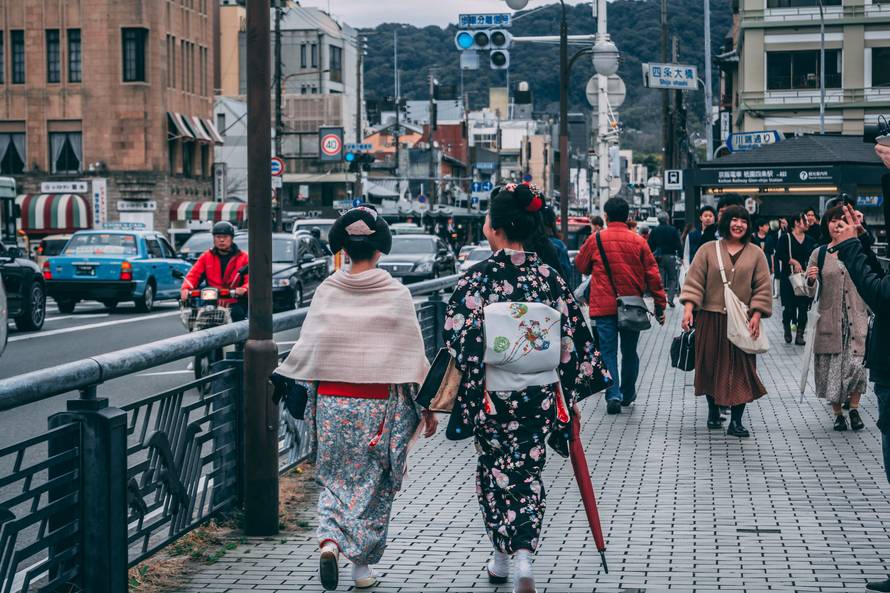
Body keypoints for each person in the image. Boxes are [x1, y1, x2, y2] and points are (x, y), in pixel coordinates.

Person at [442, 183, 609, 593]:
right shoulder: (549, 279)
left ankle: (505, 554)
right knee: (528, 474)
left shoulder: (476, 281)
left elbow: (457, 341)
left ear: (494, 229)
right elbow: (572, 344)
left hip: (492, 398)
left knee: (495, 471)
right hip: (539, 395)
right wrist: (567, 398)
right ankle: (519, 559)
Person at [273, 205, 438, 591]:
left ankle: (330, 540)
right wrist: (427, 407)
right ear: (381, 250)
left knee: (335, 479)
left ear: (342, 250)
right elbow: (412, 356)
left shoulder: (327, 291)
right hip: (379, 406)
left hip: (332, 402)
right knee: (375, 483)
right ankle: (360, 570)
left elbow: (309, 346)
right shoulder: (396, 294)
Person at [680, 206, 773, 437]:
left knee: (742, 368)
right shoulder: (708, 250)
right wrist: (689, 310)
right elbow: (694, 282)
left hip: (742, 320)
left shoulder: (756, 254)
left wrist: (757, 314)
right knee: (710, 364)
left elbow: (762, 287)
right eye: (734, 220)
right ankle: (713, 412)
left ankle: (737, 421)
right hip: (710, 317)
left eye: (743, 220)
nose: (738, 224)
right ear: (725, 223)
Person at [576, 197, 667, 415]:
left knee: (607, 351)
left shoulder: (595, 239)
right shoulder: (639, 242)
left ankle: (613, 394)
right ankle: (628, 392)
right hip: (631, 306)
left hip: (604, 306)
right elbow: (653, 275)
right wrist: (660, 304)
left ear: (606, 216)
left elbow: (581, 265)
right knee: (629, 352)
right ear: (628, 217)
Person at [802, 205, 870, 432]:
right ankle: (838, 414)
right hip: (829, 320)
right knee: (831, 369)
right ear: (826, 224)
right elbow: (808, 291)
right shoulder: (819, 253)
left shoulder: (858, 249)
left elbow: (871, 279)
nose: (837, 224)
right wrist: (810, 280)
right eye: (832, 220)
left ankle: (854, 408)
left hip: (856, 317)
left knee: (856, 365)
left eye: (842, 220)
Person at [179, 221, 249, 321]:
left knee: (237, 314)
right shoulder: (206, 257)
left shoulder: (244, 257)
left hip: (235, 300)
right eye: (218, 236)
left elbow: (251, 279)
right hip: (212, 299)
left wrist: (244, 289)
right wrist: (185, 288)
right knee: (199, 318)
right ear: (213, 238)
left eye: (225, 237)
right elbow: (194, 275)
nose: (221, 240)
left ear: (232, 238)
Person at [774, 212, 817, 345]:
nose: (808, 222)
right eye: (804, 220)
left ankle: (800, 335)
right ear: (797, 223)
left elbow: (814, 256)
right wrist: (793, 261)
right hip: (788, 278)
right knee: (789, 308)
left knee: (804, 307)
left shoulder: (810, 239)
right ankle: (787, 327)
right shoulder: (785, 238)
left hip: (804, 277)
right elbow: (779, 254)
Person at [648, 212, 683, 306]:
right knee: (672, 278)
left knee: (660, 279)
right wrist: (681, 256)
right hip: (671, 257)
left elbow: (650, 245)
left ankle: (660, 299)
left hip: (658, 257)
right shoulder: (673, 230)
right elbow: (678, 244)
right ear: (667, 219)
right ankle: (670, 299)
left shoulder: (654, 230)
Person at [541, 204, 575, 287]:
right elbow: (566, 272)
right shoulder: (558, 245)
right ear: (553, 222)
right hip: (555, 291)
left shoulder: (525, 243)